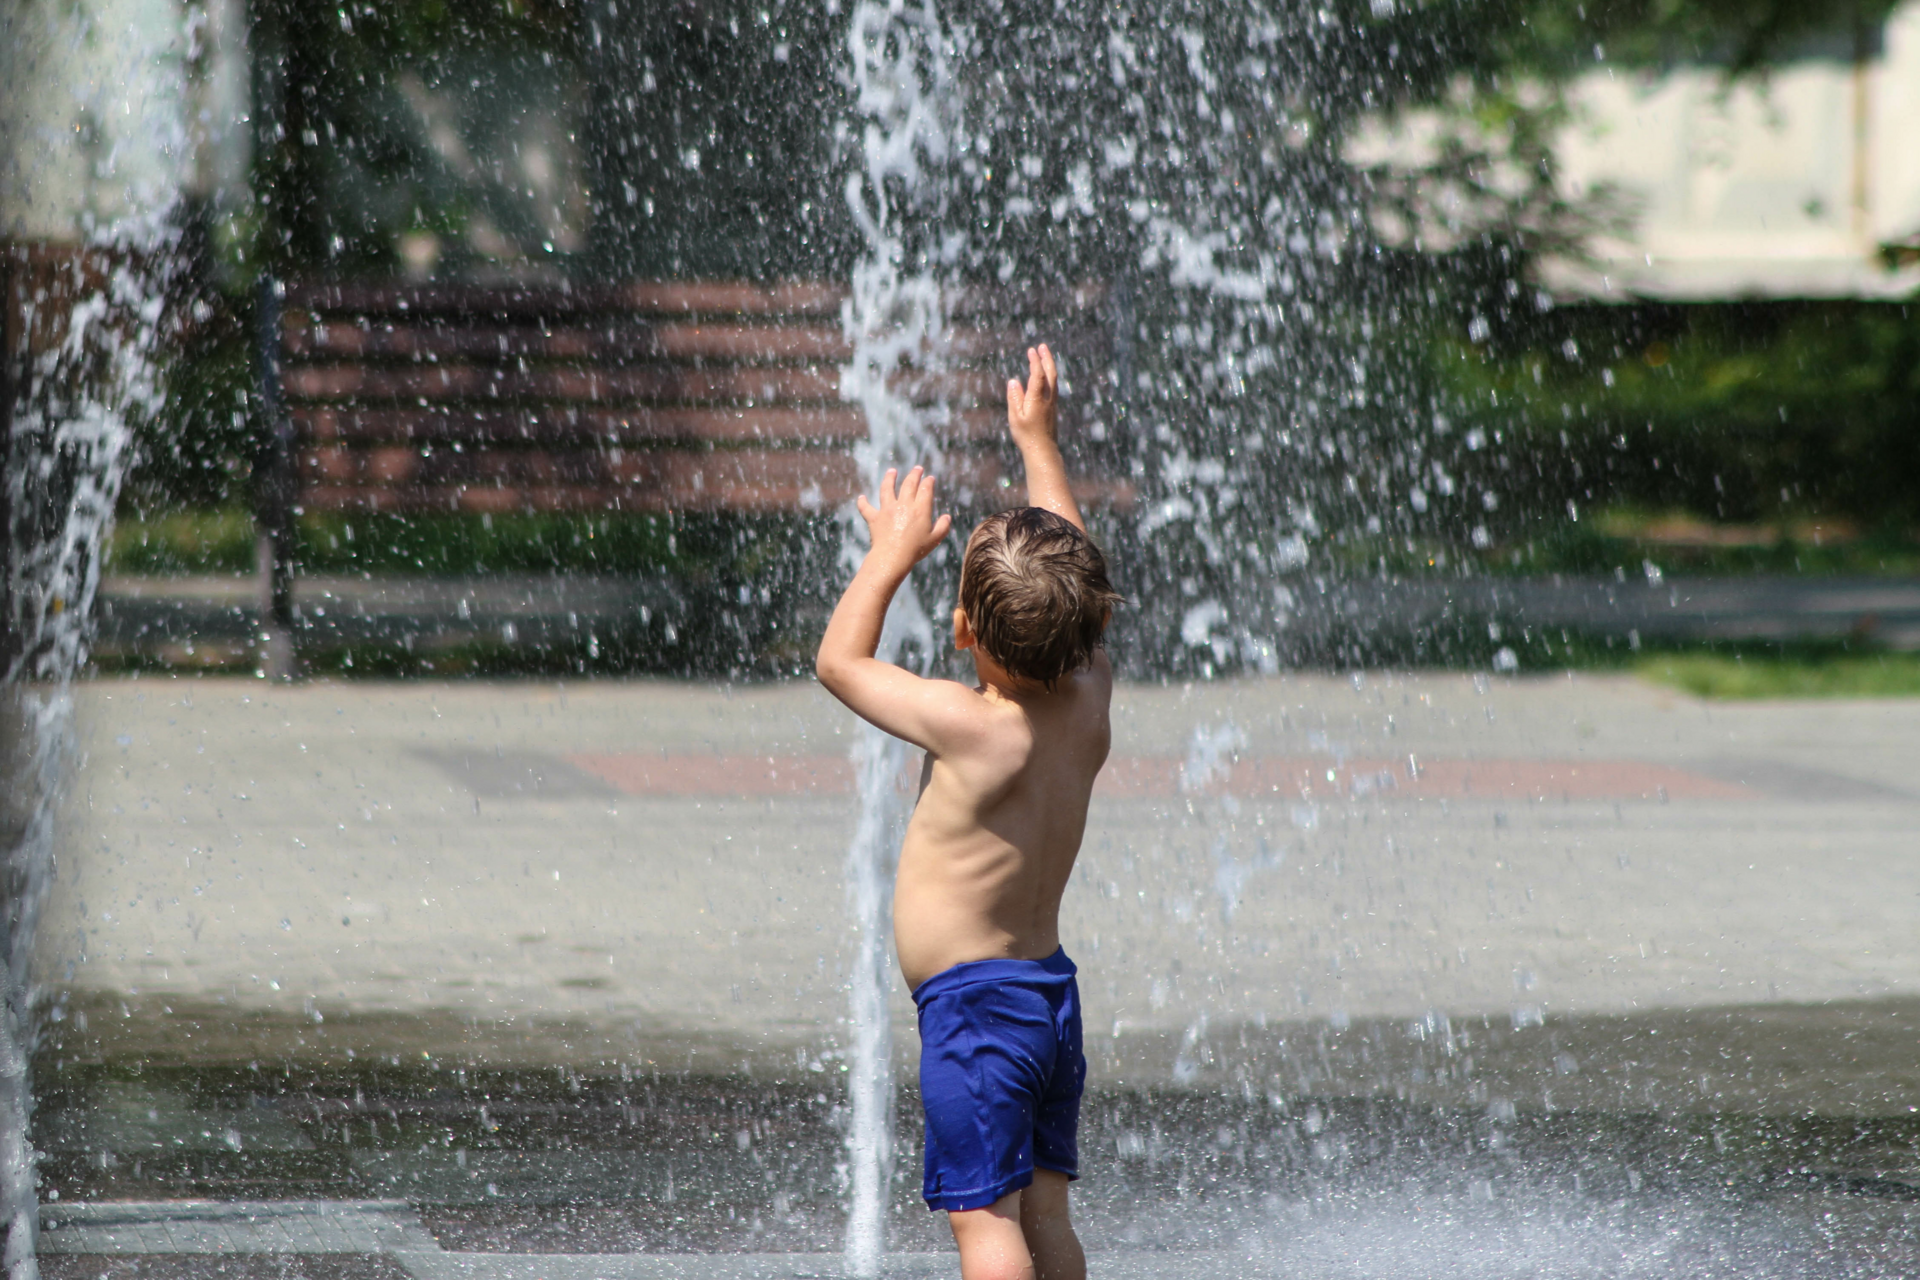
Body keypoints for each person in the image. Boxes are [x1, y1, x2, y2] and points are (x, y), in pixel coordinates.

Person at [816, 344, 1120, 1280]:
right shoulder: (1089, 698)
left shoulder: (971, 725)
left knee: (983, 1224)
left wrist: (888, 557)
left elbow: (841, 664)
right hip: (1047, 996)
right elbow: (1074, 558)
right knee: (1044, 1217)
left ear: (963, 633)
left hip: (976, 1013)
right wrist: (1039, 442)